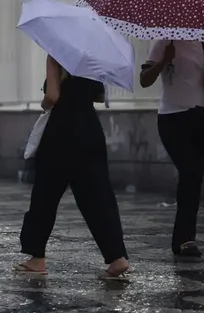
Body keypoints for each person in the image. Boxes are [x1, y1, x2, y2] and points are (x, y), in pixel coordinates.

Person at [15, 56, 129, 280]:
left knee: (45, 198)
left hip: (61, 133)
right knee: (99, 197)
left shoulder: (56, 53)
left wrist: (45, 103)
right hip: (91, 131)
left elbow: (52, 96)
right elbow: (99, 96)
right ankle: (118, 258)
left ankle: (36, 258)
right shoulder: (93, 55)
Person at [140, 40, 204, 257]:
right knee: (189, 172)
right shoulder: (164, 42)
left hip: (202, 116)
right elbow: (145, 80)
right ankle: (183, 238)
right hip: (172, 118)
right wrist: (164, 60)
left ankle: (186, 238)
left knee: (195, 177)